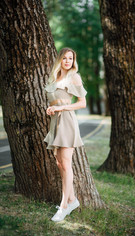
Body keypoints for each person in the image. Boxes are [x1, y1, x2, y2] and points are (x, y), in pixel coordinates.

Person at [43, 47, 87, 222]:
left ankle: (63, 207)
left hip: (67, 121)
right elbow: (55, 99)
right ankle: (72, 200)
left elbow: (82, 103)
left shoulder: (74, 77)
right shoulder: (54, 78)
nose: (68, 61)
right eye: (65, 58)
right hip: (55, 122)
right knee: (60, 163)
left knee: (66, 165)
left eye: (71, 58)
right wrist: (52, 108)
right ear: (59, 59)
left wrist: (61, 107)